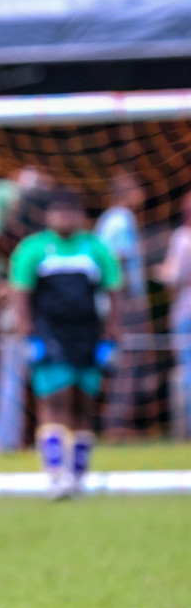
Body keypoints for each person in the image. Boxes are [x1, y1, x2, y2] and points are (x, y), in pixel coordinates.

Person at [10, 187, 123, 499]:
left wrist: (112, 334)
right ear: (48, 216)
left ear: (80, 215)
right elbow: (20, 293)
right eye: (58, 212)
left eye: (71, 211)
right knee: (54, 399)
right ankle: (55, 473)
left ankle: (77, 475)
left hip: (87, 334)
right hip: (49, 334)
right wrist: (27, 334)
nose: (65, 218)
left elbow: (114, 292)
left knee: (84, 404)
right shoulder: (34, 249)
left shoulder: (96, 248)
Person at [95, 172, 149, 438]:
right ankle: (116, 424)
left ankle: (115, 421)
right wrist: (128, 303)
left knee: (120, 361)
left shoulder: (108, 219)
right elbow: (119, 260)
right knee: (127, 361)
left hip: (112, 300)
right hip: (124, 301)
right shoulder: (121, 219)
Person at [157, 196, 191, 437]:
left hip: (186, 312)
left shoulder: (183, 238)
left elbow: (174, 276)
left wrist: (159, 272)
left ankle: (185, 431)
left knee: (187, 371)